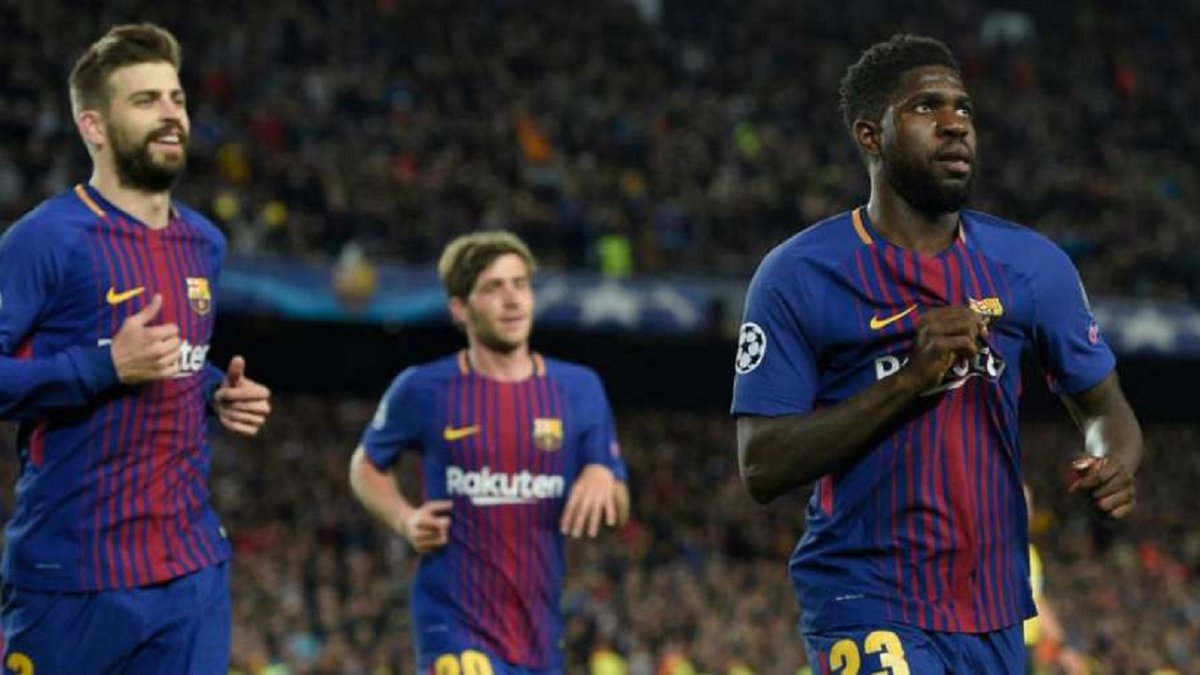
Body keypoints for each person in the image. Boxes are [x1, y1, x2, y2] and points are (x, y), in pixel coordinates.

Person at [731, 34, 1142, 673]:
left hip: (994, 609)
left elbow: (1104, 408)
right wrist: (908, 380)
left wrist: (1112, 460)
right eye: (926, 107)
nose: (955, 123)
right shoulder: (798, 275)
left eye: (964, 108)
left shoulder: (1032, 266)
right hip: (863, 597)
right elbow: (761, 464)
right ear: (871, 136)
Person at [0, 24, 271, 674]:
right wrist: (104, 366)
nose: (171, 113)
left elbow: (173, 357)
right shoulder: (46, 239)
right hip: (71, 576)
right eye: (146, 100)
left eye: (177, 98)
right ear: (93, 126)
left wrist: (215, 390)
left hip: (190, 572)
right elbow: (116, 359)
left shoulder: (204, 242)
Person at [349, 230, 630, 674]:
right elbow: (365, 465)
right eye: (493, 288)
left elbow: (617, 511)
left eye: (520, 284)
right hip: (452, 623)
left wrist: (603, 474)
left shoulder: (579, 389)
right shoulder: (423, 388)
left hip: (539, 633)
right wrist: (405, 519)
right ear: (460, 309)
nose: (512, 299)